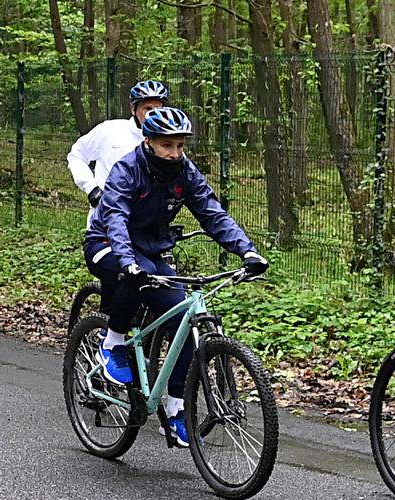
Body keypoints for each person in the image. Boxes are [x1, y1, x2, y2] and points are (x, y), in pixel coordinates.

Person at [83, 106, 268, 446]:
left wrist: (247, 251)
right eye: (167, 145)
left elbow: (212, 213)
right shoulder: (127, 170)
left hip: (150, 251)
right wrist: (127, 261)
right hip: (107, 243)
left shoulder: (185, 172)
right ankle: (112, 344)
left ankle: (175, 407)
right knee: (132, 279)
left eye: (180, 145)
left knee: (183, 318)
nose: (174, 153)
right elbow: (116, 220)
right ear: (149, 141)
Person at [67, 80, 169, 221]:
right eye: (148, 109)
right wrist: (92, 188)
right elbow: (77, 155)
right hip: (106, 217)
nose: (154, 115)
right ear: (133, 109)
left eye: (159, 110)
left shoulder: (168, 141)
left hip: (146, 223)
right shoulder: (110, 130)